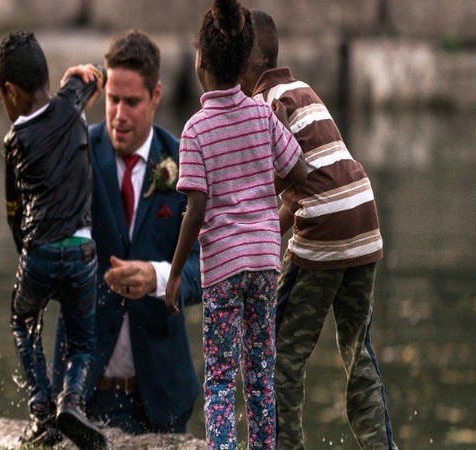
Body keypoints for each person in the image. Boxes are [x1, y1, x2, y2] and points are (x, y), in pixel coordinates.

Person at [239, 10, 399, 450]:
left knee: (278, 355)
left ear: (240, 64)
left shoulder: (258, 109)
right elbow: (304, 183)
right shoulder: (302, 91)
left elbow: (272, 192)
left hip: (326, 224)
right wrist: (273, 233)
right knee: (357, 351)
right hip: (365, 217)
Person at [164, 1, 308, 449]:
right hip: (265, 261)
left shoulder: (195, 130)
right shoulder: (263, 116)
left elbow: (197, 210)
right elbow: (301, 174)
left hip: (223, 267)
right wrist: (281, 132)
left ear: (200, 60)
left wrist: (174, 273)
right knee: (261, 369)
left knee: (222, 377)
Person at [52, 29, 203, 435]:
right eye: (112, 100)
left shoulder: (184, 162)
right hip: (80, 393)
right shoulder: (76, 148)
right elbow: (35, 184)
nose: (118, 114)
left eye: (132, 102)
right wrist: (63, 112)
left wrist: (158, 277)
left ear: (156, 95)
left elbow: (209, 266)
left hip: (161, 394)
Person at [0, 30, 107, 449]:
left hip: (39, 251)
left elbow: (12, 211)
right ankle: (71, 402)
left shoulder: (14, 141)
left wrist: (25, 254)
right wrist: (83, 75)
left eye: (0, 97)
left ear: (10, 91)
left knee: (23, 320)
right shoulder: (71, 102)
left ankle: (42, 409)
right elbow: (99, 75)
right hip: (83, 252)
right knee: (82, 341)